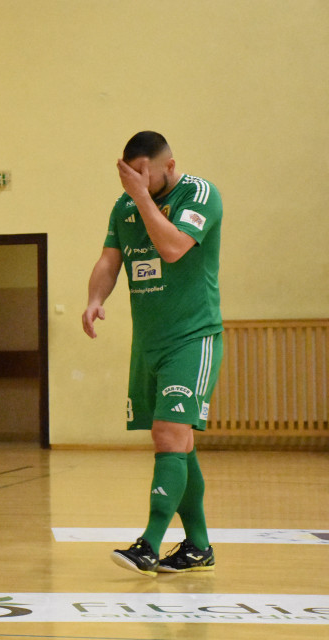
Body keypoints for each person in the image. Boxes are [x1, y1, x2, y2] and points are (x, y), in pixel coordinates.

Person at [82, 131, 223, 576]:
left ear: (168, 164)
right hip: (148, 343)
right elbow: (110, 260)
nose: (136, 182)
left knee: (168, 434)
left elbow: (173, 247)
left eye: (145, 174)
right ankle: (198, 546)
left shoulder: (200, 194)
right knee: (177, 442)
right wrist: (93, 299)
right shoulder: (124, 207)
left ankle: (149, 542)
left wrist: (142, 198)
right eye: (131, 174)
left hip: (192, 337)